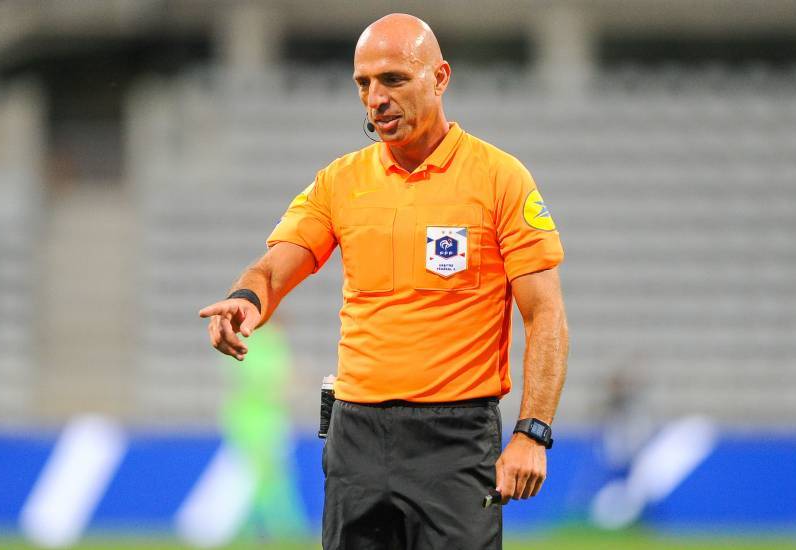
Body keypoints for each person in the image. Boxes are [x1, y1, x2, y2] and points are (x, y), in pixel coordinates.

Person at [199, 13, 568, 550]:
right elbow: (276, 265)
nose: (376, 98)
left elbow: (546, 314)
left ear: (440, 78)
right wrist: (245, 299)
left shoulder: (499, 179)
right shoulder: (341, 181)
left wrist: (532, 433)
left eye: (393, 79)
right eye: (364, 84)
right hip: (356, 438)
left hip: (456, 441)